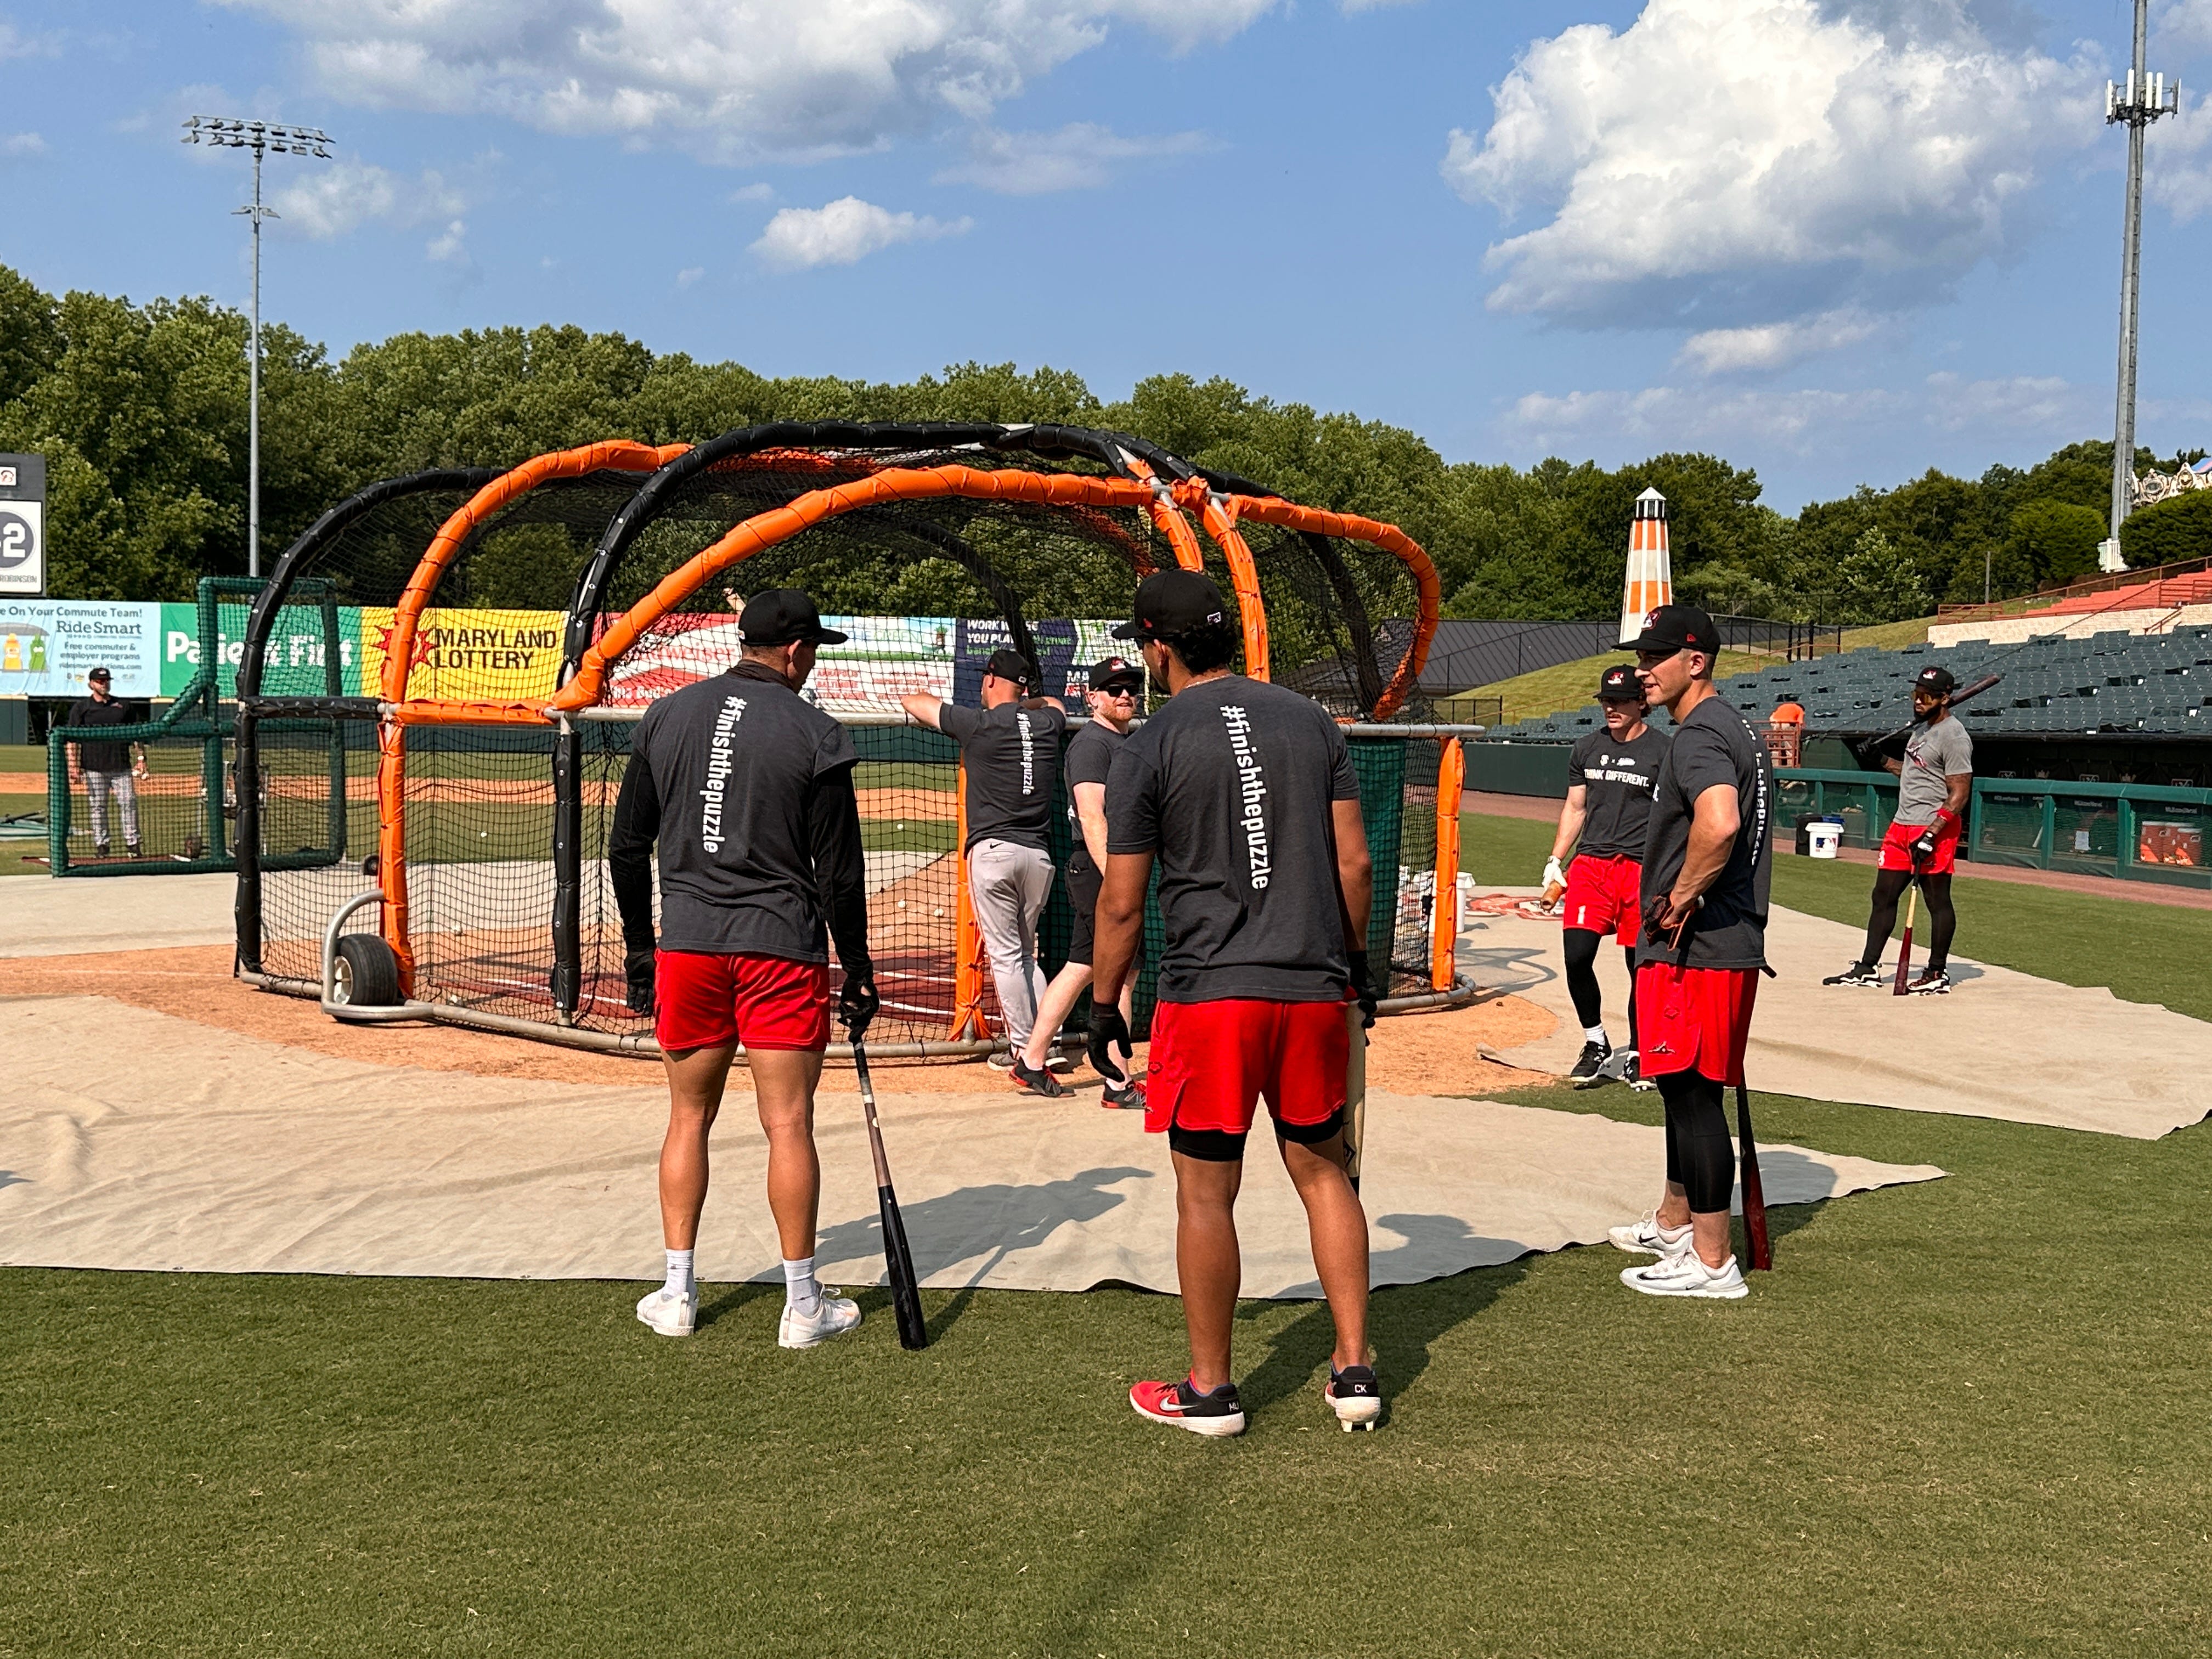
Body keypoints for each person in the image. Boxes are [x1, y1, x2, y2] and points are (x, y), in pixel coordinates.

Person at [1089, 569, 1383, 1436]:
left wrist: (1105, 1005)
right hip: (1311, 986)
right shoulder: (1311, 720)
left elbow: (1120, 898)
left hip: (1211, 996)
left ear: (1156, 646)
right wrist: (1356, 969)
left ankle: (1211, 1389)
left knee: (1205, 1193)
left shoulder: (1150, 741)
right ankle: (1354, 1369)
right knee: (1326, 1174)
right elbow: (1354, 864)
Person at [609, 589, 880, 1346]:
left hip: (689, 946)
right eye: (814, 647)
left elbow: (627, 846)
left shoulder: (668, 714)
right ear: (794, 651)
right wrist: (855, 966)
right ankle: (801, 1307)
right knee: (788, 1122)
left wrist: (640, 947)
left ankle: (676, 1294)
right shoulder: (815, 729)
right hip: (779, 949)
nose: (814, 658)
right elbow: (840, 872)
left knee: (688, 1115)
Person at [1607, 605, 1773, 1301]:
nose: (1644, 671)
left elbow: (1720, 822)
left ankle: (1710, 1261)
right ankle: (1680, 1225)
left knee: (1691, 1095)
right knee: (1685, 1091)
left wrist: (1677, 899)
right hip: (1725, 943)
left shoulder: (1699, 733)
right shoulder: (1730, 725)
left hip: (1698, 947)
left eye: (1656, 658)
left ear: (1696, 660)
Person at [901, 650, 1068, 1087]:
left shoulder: (979, 724)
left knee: (1007, 957)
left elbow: (912, 700)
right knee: (1028, 954)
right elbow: (1055, 707)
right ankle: (1046, 1043)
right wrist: (1023, 704)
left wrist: (1001, 709)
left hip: (995, 853)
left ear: (993, 681)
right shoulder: (1047, 724)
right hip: (1039, 858)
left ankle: (1023, 1051)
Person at [1011, 655, 1146, 1107]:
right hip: (1098, 870)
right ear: (1092, 698)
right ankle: (1117, 1084)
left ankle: (1031, 1062)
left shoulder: (1127, 741)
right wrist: (1118, 881)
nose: (1125, 694)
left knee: (1089, 968)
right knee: (1116, 974)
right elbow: (1092, 818)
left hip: (1105, 872)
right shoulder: (1093, 745)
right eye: (1114, 688)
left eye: (1131, 686)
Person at [1543, 664, 1669, 1088]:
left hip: (1640, 871)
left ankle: (1639, 1050)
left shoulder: (1663, 752)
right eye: (1606, 701)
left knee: (1642, 968)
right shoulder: (1586, 748)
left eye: (1620, 701)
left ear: (1641, 703)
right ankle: (1595, 1042)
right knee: (1577, 957)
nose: (1611, 708)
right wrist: (1555, 859)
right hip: (1591, 868)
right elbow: (1575, 807)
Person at [1822, 664, 1973, 995]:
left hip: (1935, 827)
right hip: (1902, 824)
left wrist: (1932, 834)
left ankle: (1937, 972)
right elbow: (1916, 773)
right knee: (1883, 895)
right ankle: (1867, 968)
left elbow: (1960, 792)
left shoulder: (1955, 736)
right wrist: (1881, 760)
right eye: (1916, 694)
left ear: (1944, 698)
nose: (1919, 701)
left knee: (1937, 901)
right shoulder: (1921, 730)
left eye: (1927, 696)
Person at [65, 667, 145, 858]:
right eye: (100, 681)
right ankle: (102, 845)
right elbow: (71, 739)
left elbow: (138, 734)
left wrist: (142, 759)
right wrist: (73, 766)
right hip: (94, 767)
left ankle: (133, 844)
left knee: (128, 803)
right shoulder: (82, 708)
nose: (104, 684)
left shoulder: (122, 706)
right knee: (98, 806)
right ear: (91, 684)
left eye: (107, 680)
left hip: (121, 766)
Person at [1766, 697, 1806, 768]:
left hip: (1775, 722)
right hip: (1786, 724)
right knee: (1791, 744)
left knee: (1778, 743)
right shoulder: (1800, 709)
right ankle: (1792, 764)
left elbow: (1773, 716)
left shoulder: (1784, 706)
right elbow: (1800, 723)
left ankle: (1777, 761)